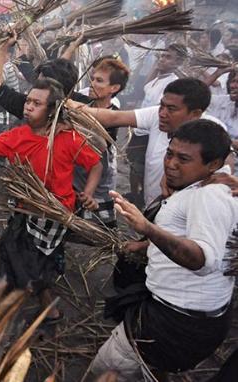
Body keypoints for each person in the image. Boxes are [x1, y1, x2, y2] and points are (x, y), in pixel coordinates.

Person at [0, 79, 103, 320]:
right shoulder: (17, 136)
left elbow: (95, 164)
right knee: (16, 249)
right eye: (28, 101)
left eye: (37, 103)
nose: (28, 106)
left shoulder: (68, 138)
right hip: (25, 208)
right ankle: (15, 285)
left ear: (52, 111)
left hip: (54, 212)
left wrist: (89, 192)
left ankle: (49, 310)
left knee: (31, 260)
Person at [91, 120, 237, 381]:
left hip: (173, 321)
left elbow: (201, 260)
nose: (170, 163)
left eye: (183, 158)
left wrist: (147, 228)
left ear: (212, 165)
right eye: (170, 153)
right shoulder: (208, 187)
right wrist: (145, 245)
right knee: (152, 367)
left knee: (106, 370)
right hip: (194, 318)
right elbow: (187, 234)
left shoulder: (209, 196)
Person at [76, 78, 227, 207]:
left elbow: (226, 166)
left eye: (172, 109)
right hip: (153, 204)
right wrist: (68, 105)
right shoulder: (157, 115)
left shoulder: (212, 131)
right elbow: (113, 117)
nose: (162, 113)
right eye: (162, 105)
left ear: (195, 114)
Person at [73, 57, 130, 228]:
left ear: (114, 88)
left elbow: (97, 158)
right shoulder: (86, 102)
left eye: (99, 81)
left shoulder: (112, 116)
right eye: (92, 78)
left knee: (101, 220)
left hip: (98, 171)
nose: (92, 83)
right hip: (79, 167)